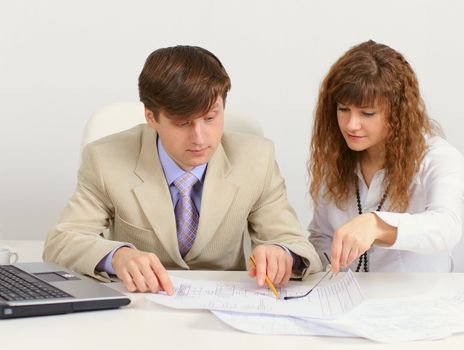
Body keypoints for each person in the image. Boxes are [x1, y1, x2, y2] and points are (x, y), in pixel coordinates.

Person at [43, 45, 321, 293]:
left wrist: (282, 253)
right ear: (151, 117)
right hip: (140, 309)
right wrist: (116, 256)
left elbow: (297, 245)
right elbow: (61, 242)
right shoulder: (105, 158)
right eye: (183, 123)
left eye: (211, 118)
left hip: (226, 308)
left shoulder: (257, 159)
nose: (200, 138)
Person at [308, 40, 464, 273]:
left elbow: (447, 227)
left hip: (420, 300)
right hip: (352, 300)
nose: (351, 124)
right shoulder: (337, 158)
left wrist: (377, 225)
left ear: (398, 113)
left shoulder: (438, 157)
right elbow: (321, 236)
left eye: (367, 113)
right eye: (343, 109)